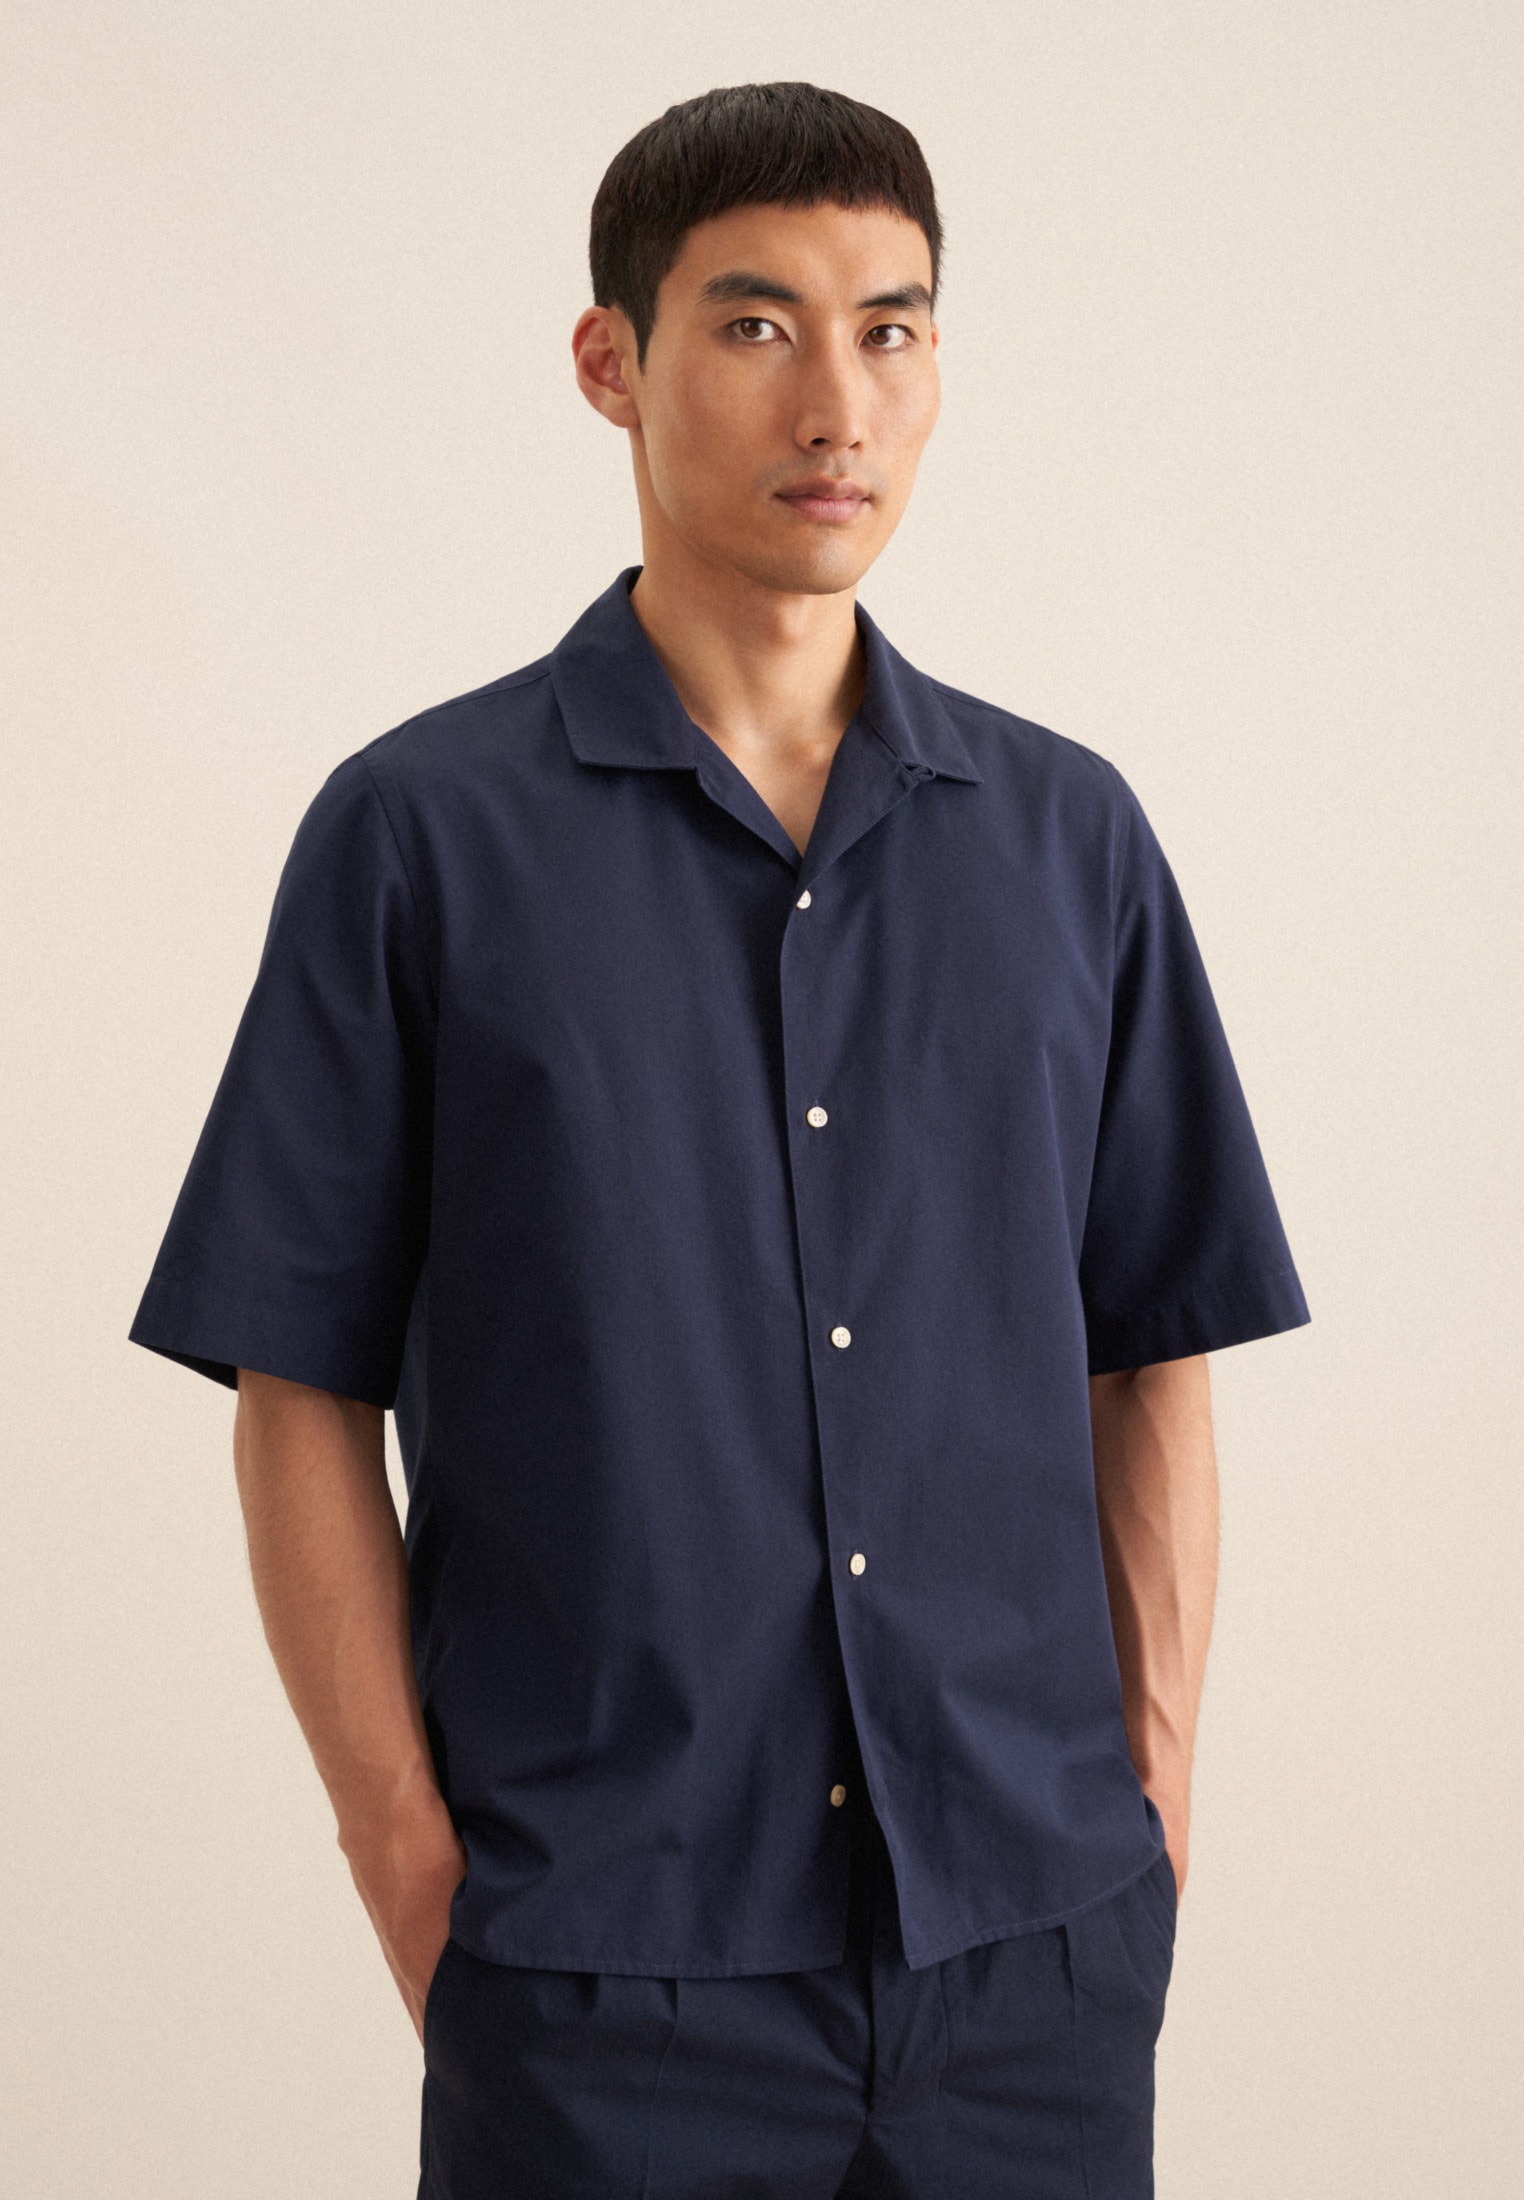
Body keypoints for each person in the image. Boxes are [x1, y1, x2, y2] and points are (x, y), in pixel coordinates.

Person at [130, 80, 1309, 2200]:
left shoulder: (1070, 842)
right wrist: (413, 1867)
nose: (837, 402)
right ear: (613, 360)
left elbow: (1156, 1350)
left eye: (892, 328)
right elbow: (296, 1385)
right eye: (757, 324)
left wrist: (1147, 1806)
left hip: (1031, 1960)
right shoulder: (420, 838)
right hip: (601, 1974)